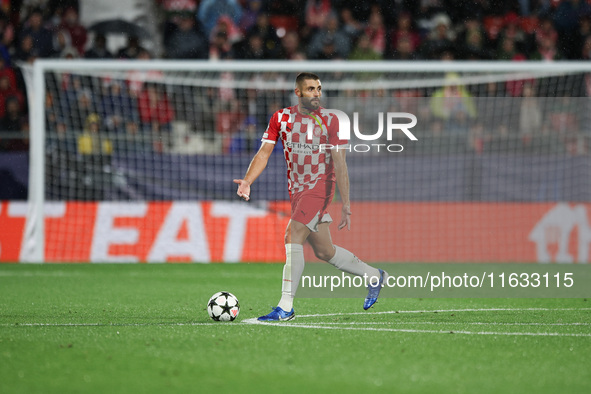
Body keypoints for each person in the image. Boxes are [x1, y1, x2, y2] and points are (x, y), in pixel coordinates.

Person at [234, 72, 386, 322]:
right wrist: (248, 180)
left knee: (292, 234)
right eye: (311, 89)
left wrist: (345, 202)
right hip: (297, 191)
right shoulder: (280, 118)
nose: (316, 93)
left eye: (319, 88)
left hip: (320, 188)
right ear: (298, 93)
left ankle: (285, 307)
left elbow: (340, 164)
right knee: (324, 251)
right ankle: (374, 276)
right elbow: (264, 152)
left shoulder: (331, 121)